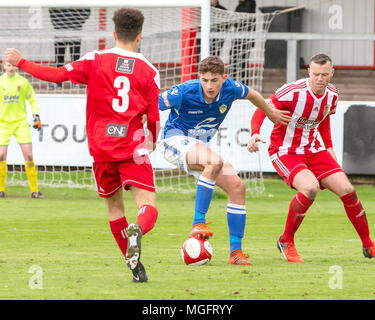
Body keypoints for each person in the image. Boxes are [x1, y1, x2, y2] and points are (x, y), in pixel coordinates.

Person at [4, 7, 160, 282]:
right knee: (148, 205)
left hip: (101, 148)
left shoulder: (95, 59)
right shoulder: (149, 71)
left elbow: (56, 76)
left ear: (114, 34)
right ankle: (139, 230)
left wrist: (22, 62)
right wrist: (153, 141)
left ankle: (135, 267)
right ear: (139, 36)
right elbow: (154, 117)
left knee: (115, 209)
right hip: (132, 148)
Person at [158, 56, 291, 265]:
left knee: (237, 187)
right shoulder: (184, 91)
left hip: (199, 146)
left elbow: (253, 95)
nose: (209, 86)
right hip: (174, 141)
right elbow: (151, 105)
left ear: (224, 78)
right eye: (204, 80)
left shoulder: (231, 88)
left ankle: (235, 253)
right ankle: (198, 222)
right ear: (199, 78)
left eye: (214, 80)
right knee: (214, 161)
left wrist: (270, 112)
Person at [248, 53, 375, 262]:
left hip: (314, 150)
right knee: (310, 187)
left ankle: (368, 244)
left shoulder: (332, 94)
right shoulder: (292, 92)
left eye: (324, 74)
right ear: (309, 71)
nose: (320, 79)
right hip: (285, 151)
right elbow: (263, 108)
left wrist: (329, 148)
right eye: (316, 74)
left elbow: (322, 120)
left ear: (331, 73)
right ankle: (286, 240)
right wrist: (254, 132)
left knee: (348, 191)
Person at [0, 61, 44, 199]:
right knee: (1, 155)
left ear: (16, 66)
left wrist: (36, 115)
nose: (11, 68)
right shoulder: (0, 82)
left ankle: (35, 190)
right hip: (3, 124)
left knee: (29, 155)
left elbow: (32, 100)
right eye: (8, 65)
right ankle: (1, 190)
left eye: (13, 65)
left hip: (20, 124)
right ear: (4, 67)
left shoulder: (23, 82)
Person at [48, 8, 91, 89]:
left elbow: (87, 10)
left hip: (75, 30)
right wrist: (57, 23)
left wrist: (78, 22)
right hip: (60, 30)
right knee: (59, 57)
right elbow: (52, 9)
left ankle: (75, 82)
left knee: (75, 58)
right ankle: (58, 82)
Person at [229, 0, 256, 85]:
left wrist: (234, 20)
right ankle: (234, 83)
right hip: (238, 38)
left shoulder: (249, 4)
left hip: (244, 39)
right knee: (234, 61)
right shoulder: (240, 5)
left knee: (242, 63)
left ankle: (242, 85)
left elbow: (241, 20)